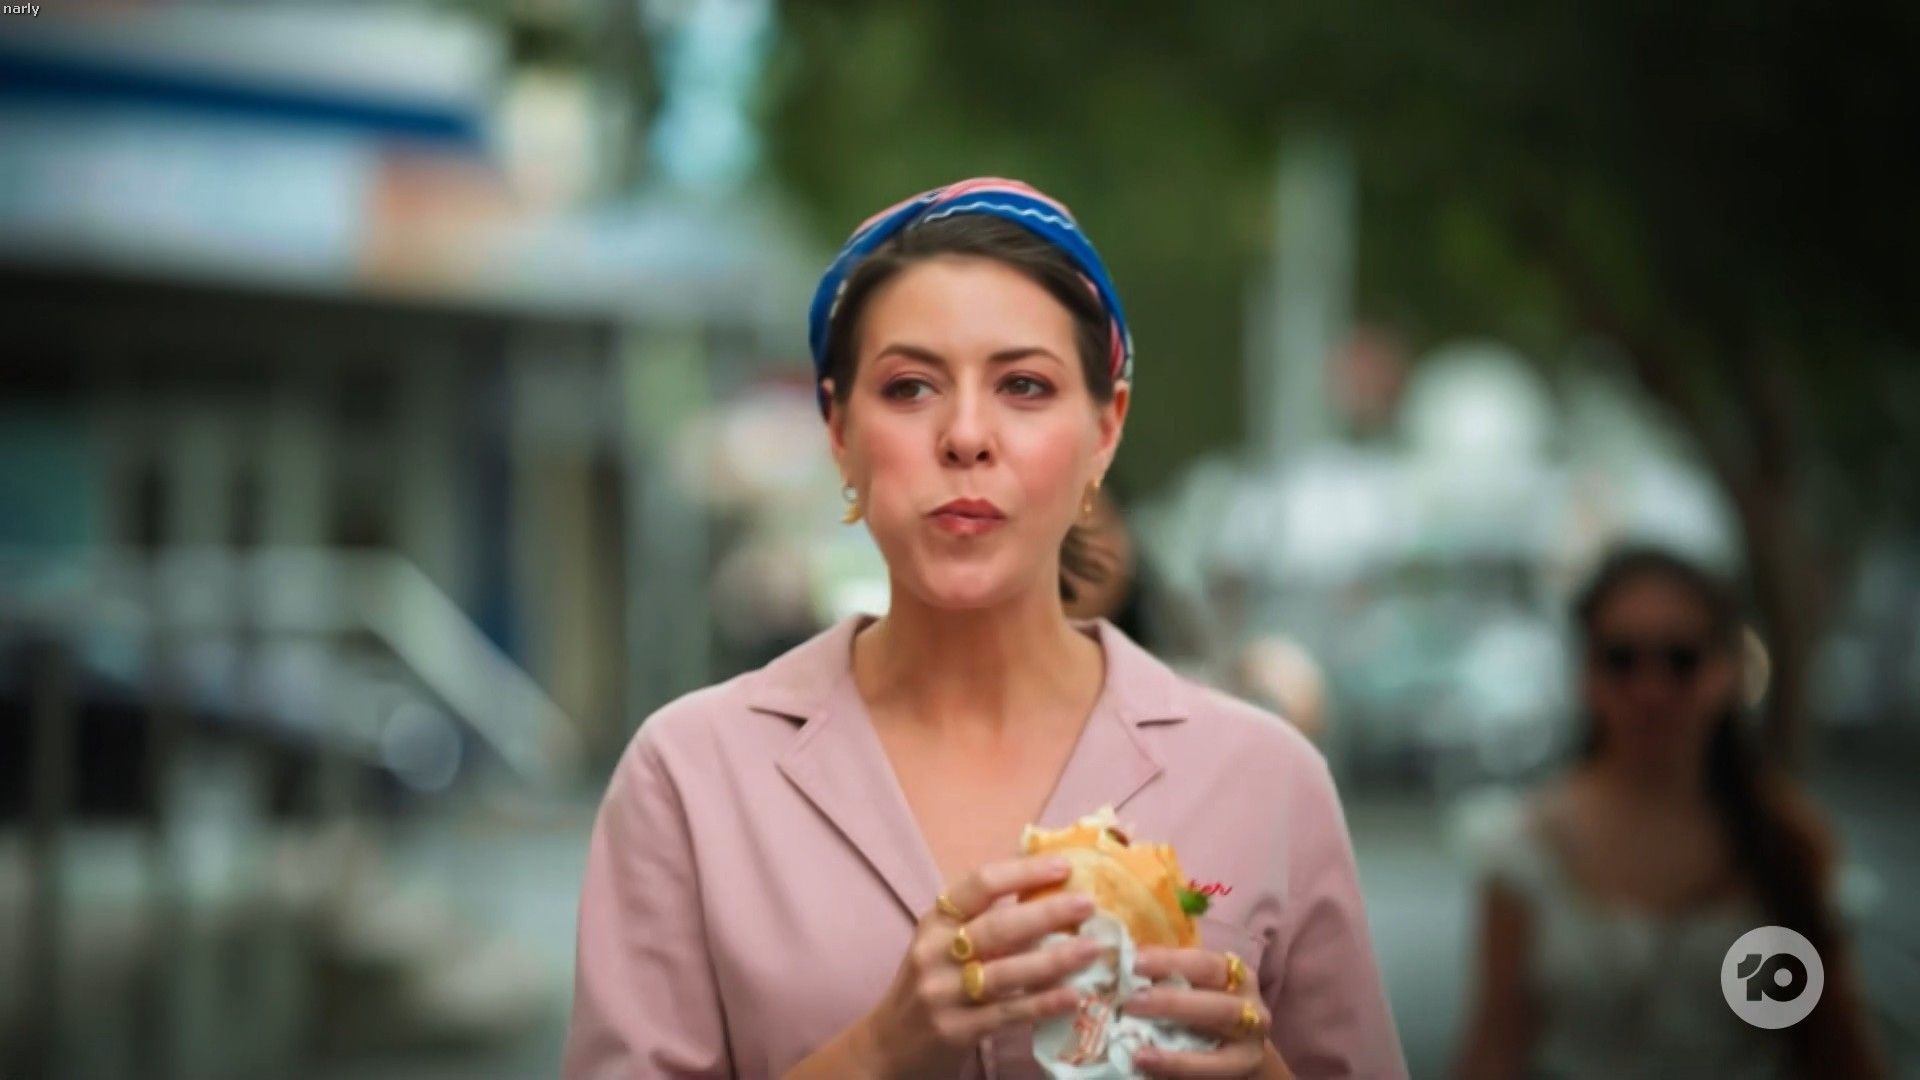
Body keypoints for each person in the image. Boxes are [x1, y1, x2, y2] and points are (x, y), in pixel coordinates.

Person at [563, 178, 1407, 1080]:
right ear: (838, 430)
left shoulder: (1266, 781)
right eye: (910, 387)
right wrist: (881, 1049)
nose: (966, 435)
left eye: (1025, 386)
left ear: (1106, 430)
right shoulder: (692, 778)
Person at [1453, 546, 1888, 1079]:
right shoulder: (1526, 851)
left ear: (1728, 670)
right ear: (1587, 675)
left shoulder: (1787, 841)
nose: (1651, 690)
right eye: (1622, 659)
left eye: (1681, 660)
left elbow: (1836, 1047)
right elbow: (1495, 1050)